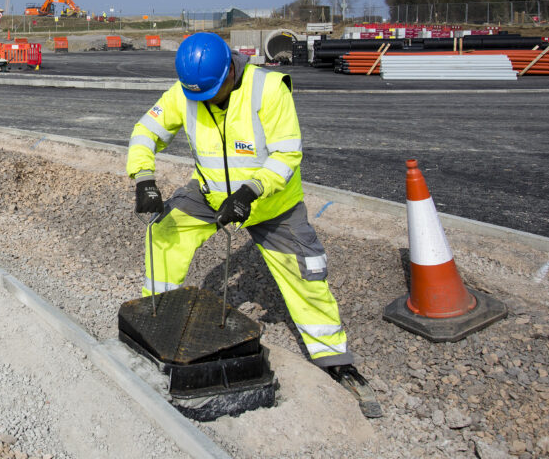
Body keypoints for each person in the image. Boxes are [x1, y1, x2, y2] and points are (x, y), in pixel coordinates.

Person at [127, 32, 381, 417]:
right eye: (198, 95)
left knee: (306, 272)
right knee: (164, 234)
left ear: (230, 69)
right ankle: (155, 317)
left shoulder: (268, 89)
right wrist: (144, 177)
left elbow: (286, 152)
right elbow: (146, 131)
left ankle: (333, 358)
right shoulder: (186, 92)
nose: (205, 101)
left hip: (271, 203)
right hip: (213, 195)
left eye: (211, 92)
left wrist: (250, 193)